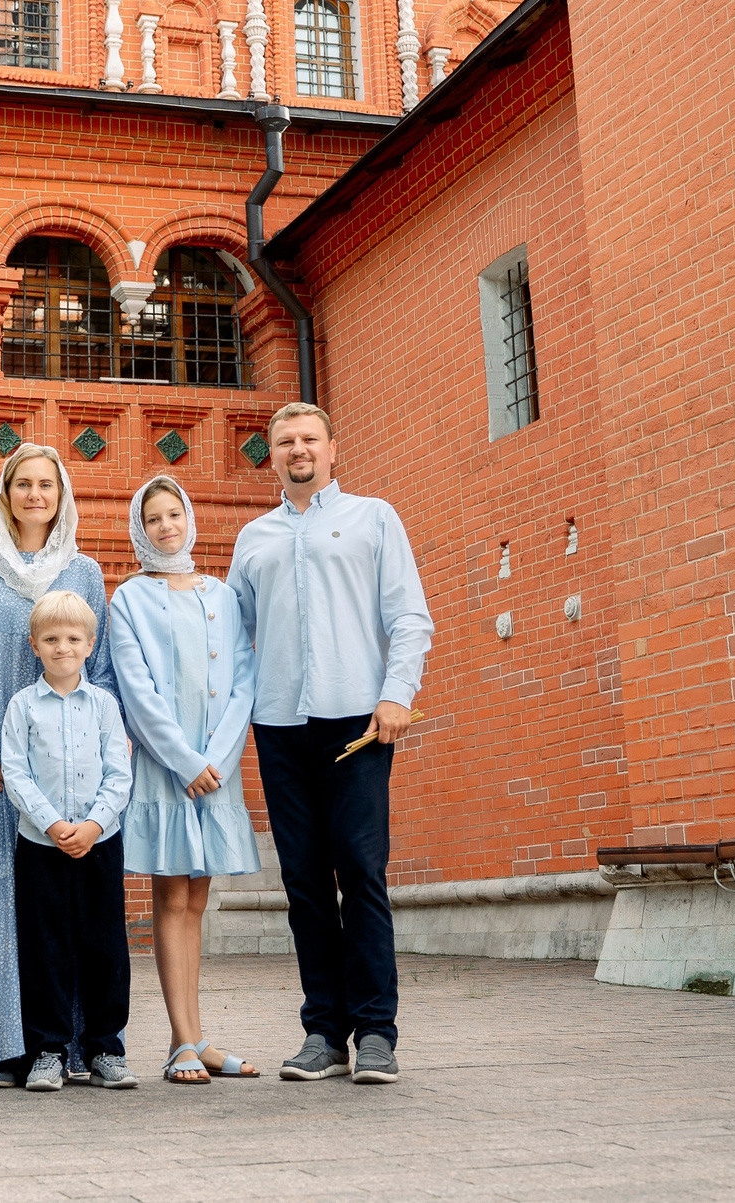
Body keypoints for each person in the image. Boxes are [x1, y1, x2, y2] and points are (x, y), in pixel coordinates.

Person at [228, 402, 432, 1087]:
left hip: (358, 725)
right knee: (305, 883)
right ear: (273, 454)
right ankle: (323, 1031)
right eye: (284, 441)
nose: (297, 449)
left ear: (332, 449)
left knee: (361, 872)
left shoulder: (375, 517)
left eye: (308, 438)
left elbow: (409, 616)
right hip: (280, 727)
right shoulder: (253, 538)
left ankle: (376, 1030)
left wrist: (397, 692)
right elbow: (233, 640)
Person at [0, 442, 113, 1087]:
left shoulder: (86, 573)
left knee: (64, 907)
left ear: (61, 494)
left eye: (47, 484)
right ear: (5, 494)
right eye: (23, 484)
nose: (35, 495)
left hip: (69, 772)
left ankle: (66, 1046)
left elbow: (103, 673)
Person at [104, 475, 262, 1083]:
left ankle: (192, 1038)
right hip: (166, 771)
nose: (166, 526)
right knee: (170, 897)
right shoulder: (128, 600)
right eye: (153, 519)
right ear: (140, 531)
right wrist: (185, 761)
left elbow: (243, 679)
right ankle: (183, 1047)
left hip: (216, 771)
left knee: (198, 898)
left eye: (174, 514)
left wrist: (214, 759)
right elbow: (136, 693)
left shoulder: (222, 595)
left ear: (189, 519)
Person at [0, 589, 136, 1091]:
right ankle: (48, 1050)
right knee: (45, 946)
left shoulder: (103, 705)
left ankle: (105, 1048)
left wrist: (94, 825)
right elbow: (16, 772)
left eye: (73, 638)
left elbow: (119, 773)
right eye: (51, 639)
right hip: (41, 844)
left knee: (104, 944)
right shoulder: (22, 706)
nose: (62, 647)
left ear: (90, 644)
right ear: (34, 645)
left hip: (101, 842)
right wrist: (53, 824)